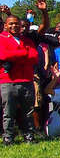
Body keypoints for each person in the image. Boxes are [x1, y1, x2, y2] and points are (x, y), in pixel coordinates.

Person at [0, 12, 41, 144]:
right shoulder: (1, 38)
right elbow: (3, 56)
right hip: (8, 81)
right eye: (11, 23)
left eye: (16, 23)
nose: (14, 26)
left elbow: (34, 57)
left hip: (26, 80)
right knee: (8, 112)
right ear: (6, 25)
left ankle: (29, 136)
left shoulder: (27, 40)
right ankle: (8, 138)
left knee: (28, 111)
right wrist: (24, 54)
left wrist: (15, 56)